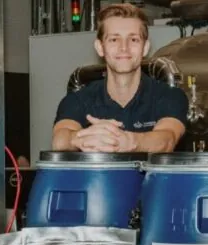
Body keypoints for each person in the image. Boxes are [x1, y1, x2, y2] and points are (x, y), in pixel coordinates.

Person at [52, 3, 188, 153]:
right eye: (114, 40)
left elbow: (167, 139)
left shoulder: (169, 96)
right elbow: (59, 139)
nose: (124, 47)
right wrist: (79, 138)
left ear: (145, 47)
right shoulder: (78, 100)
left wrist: (128, 141)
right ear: (100, 47)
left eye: (134, 39)